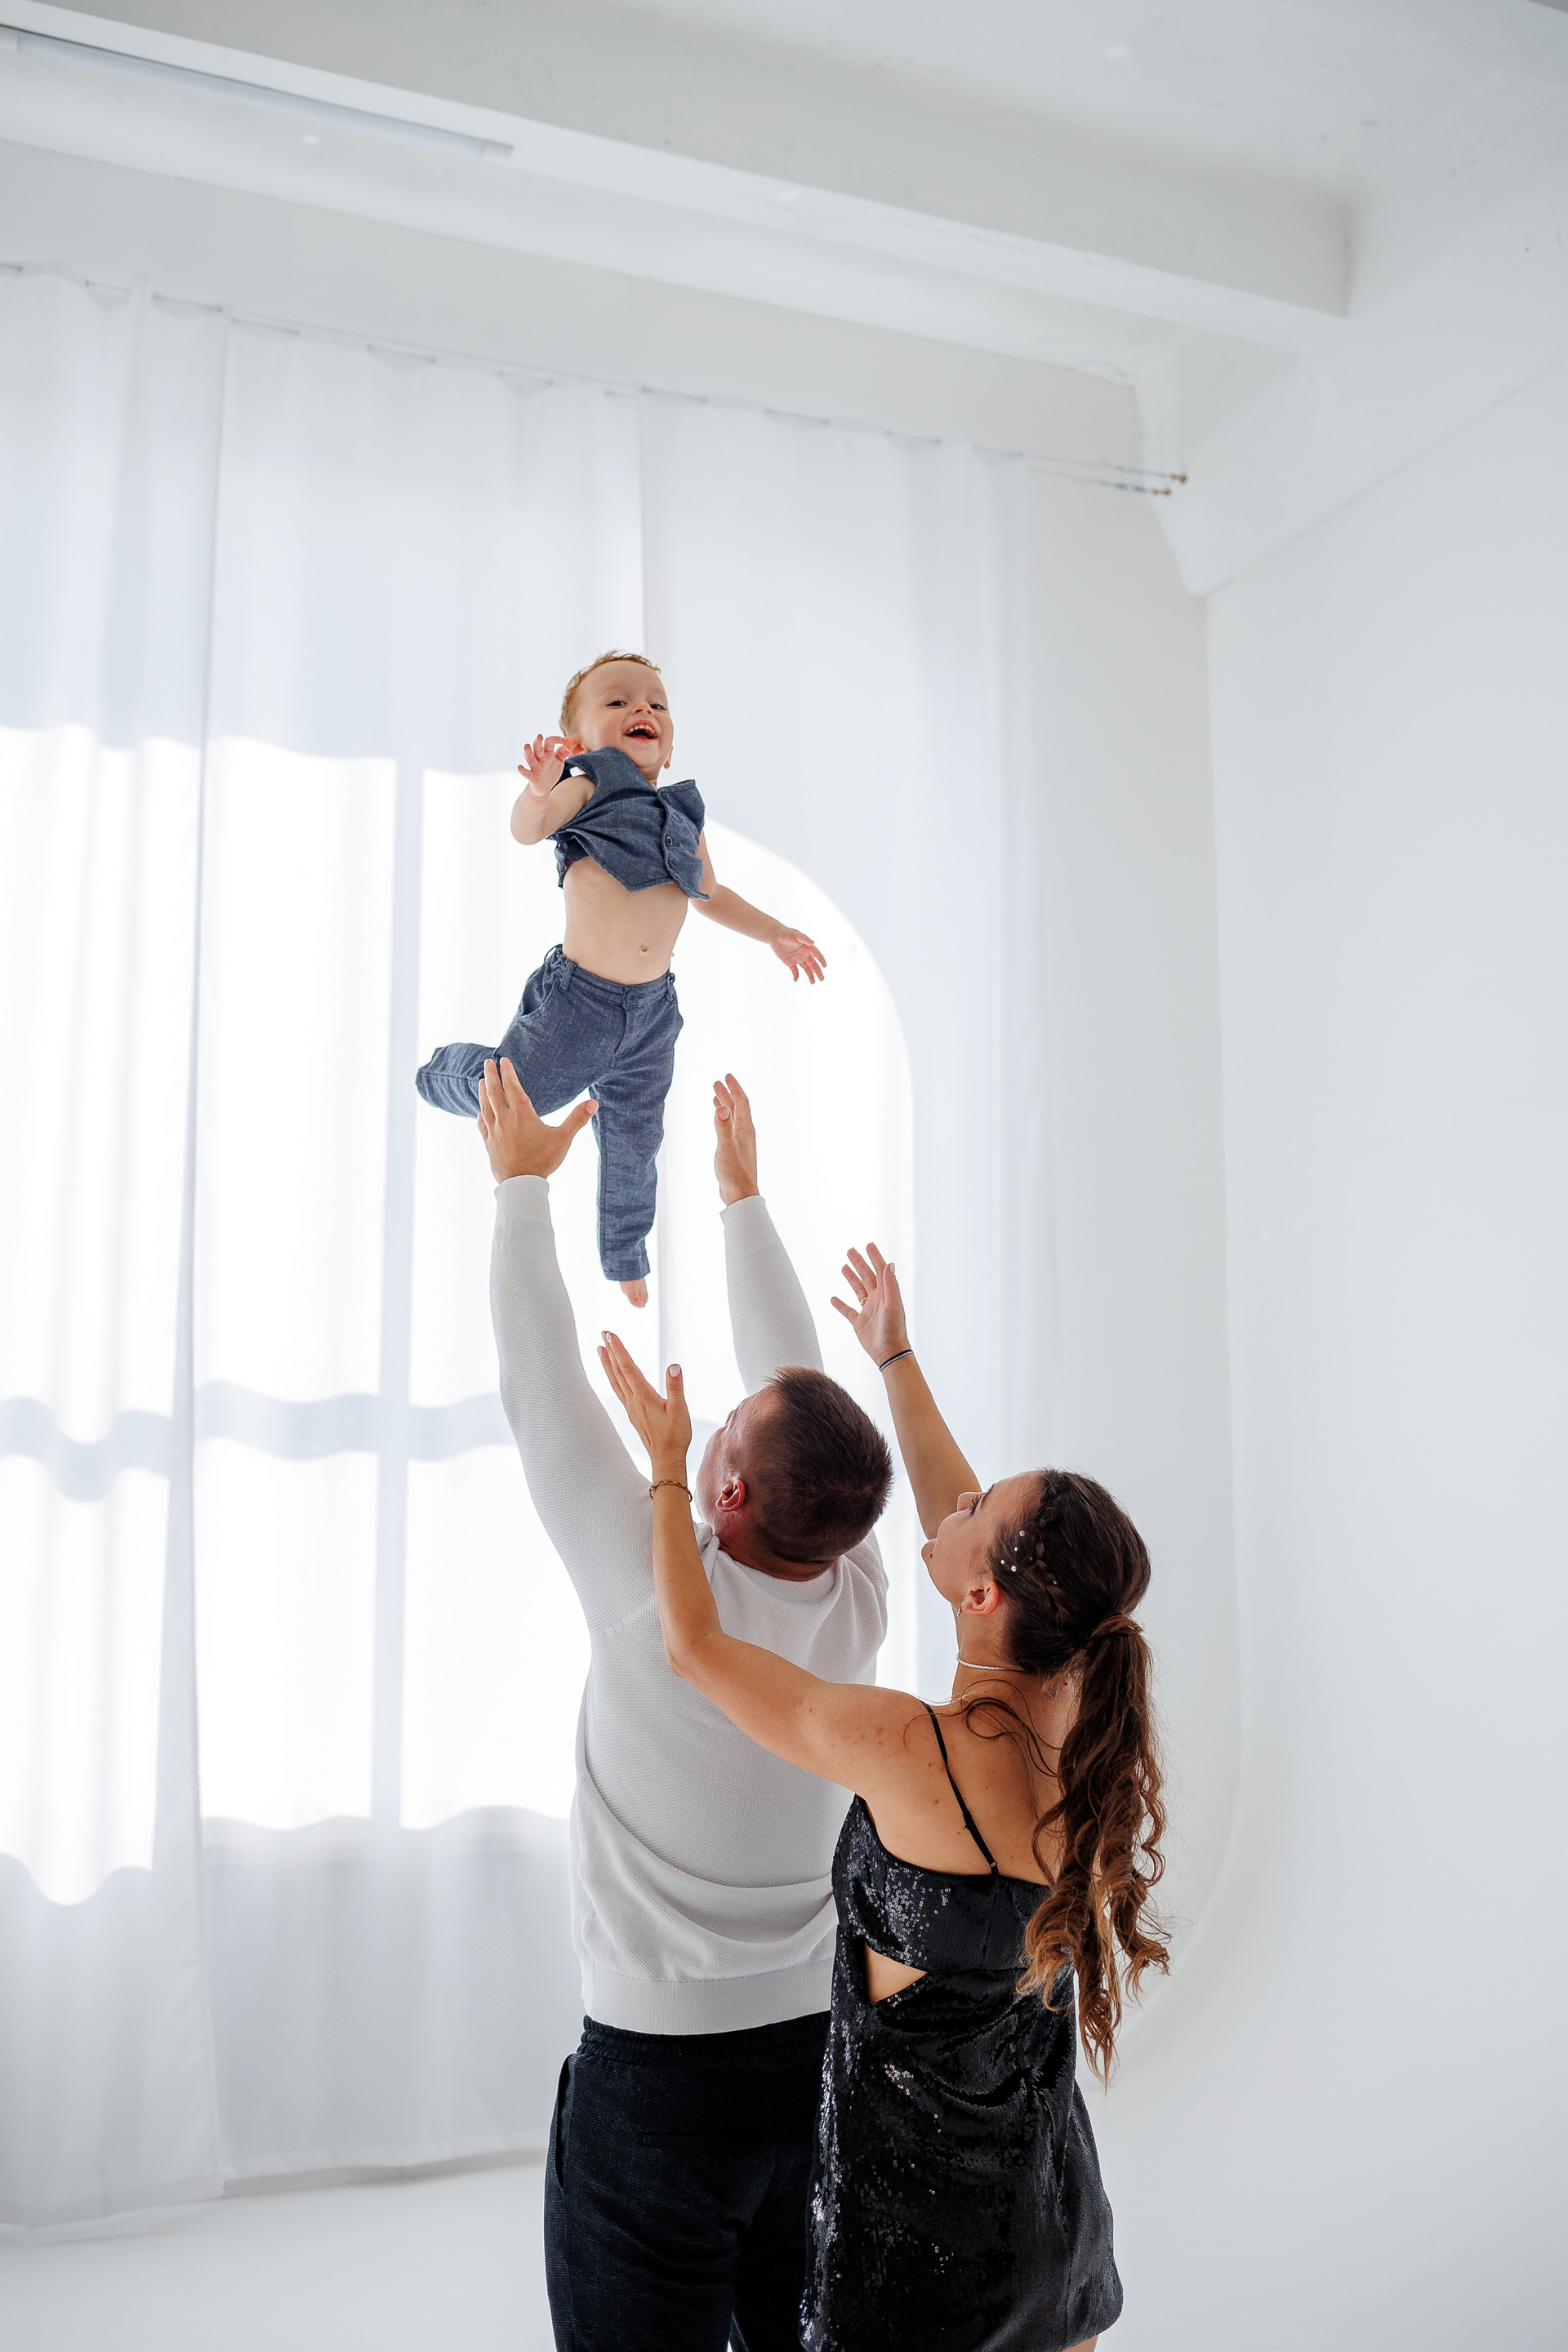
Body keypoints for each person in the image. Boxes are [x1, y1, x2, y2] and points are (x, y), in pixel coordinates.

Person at [599, 1249, 1171, 2352]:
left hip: (921, 2265)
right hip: (1056, 2231)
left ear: (984, 1593)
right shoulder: (1077, 1715)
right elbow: (981, 1534)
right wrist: (894, 1357)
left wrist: (669, 1471)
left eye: (975, 1507)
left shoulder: (912, 1750)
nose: (954, 1497)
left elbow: (696, 1647)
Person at [475, 1056, 891, 2352]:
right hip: (821, 2063)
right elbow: (799, 1388)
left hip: (660, 2083)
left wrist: (520, 1194)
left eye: (727, 1431)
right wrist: (741, 1203)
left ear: (728, 1497)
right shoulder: (860, 1589)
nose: (714, 1418)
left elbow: (544, 1397)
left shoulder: (653, 1596)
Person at [418, 650, 826, 1306]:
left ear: (670, 741)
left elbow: (711, 895)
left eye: (656, 703)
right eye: (618, 701)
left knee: (637, 1139)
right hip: (578, 1004)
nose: (643, 708)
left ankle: (625, 1253)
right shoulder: (588, 785)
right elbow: (529, 829)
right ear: (579, 742)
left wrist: (774, 931)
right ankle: (444, 1073)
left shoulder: (684, 817)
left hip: (653, 1016)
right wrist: (539, 789)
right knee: (518, 1100)